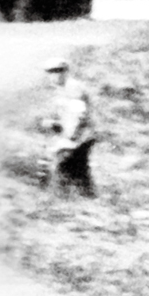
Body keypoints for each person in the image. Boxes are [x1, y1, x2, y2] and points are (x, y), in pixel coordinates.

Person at [40, 58, 96, 196]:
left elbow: (79, 115)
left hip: (79, 136)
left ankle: (73, 199)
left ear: (66, 72)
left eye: (59, 71)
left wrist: (70, 139)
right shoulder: (61, 89)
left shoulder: (73, 88)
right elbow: (65, 115)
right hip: (73, 136)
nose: (55, 75)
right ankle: (86, 198)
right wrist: (54, 123)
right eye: (51, 72)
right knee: (77, 172)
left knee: (66, 169)